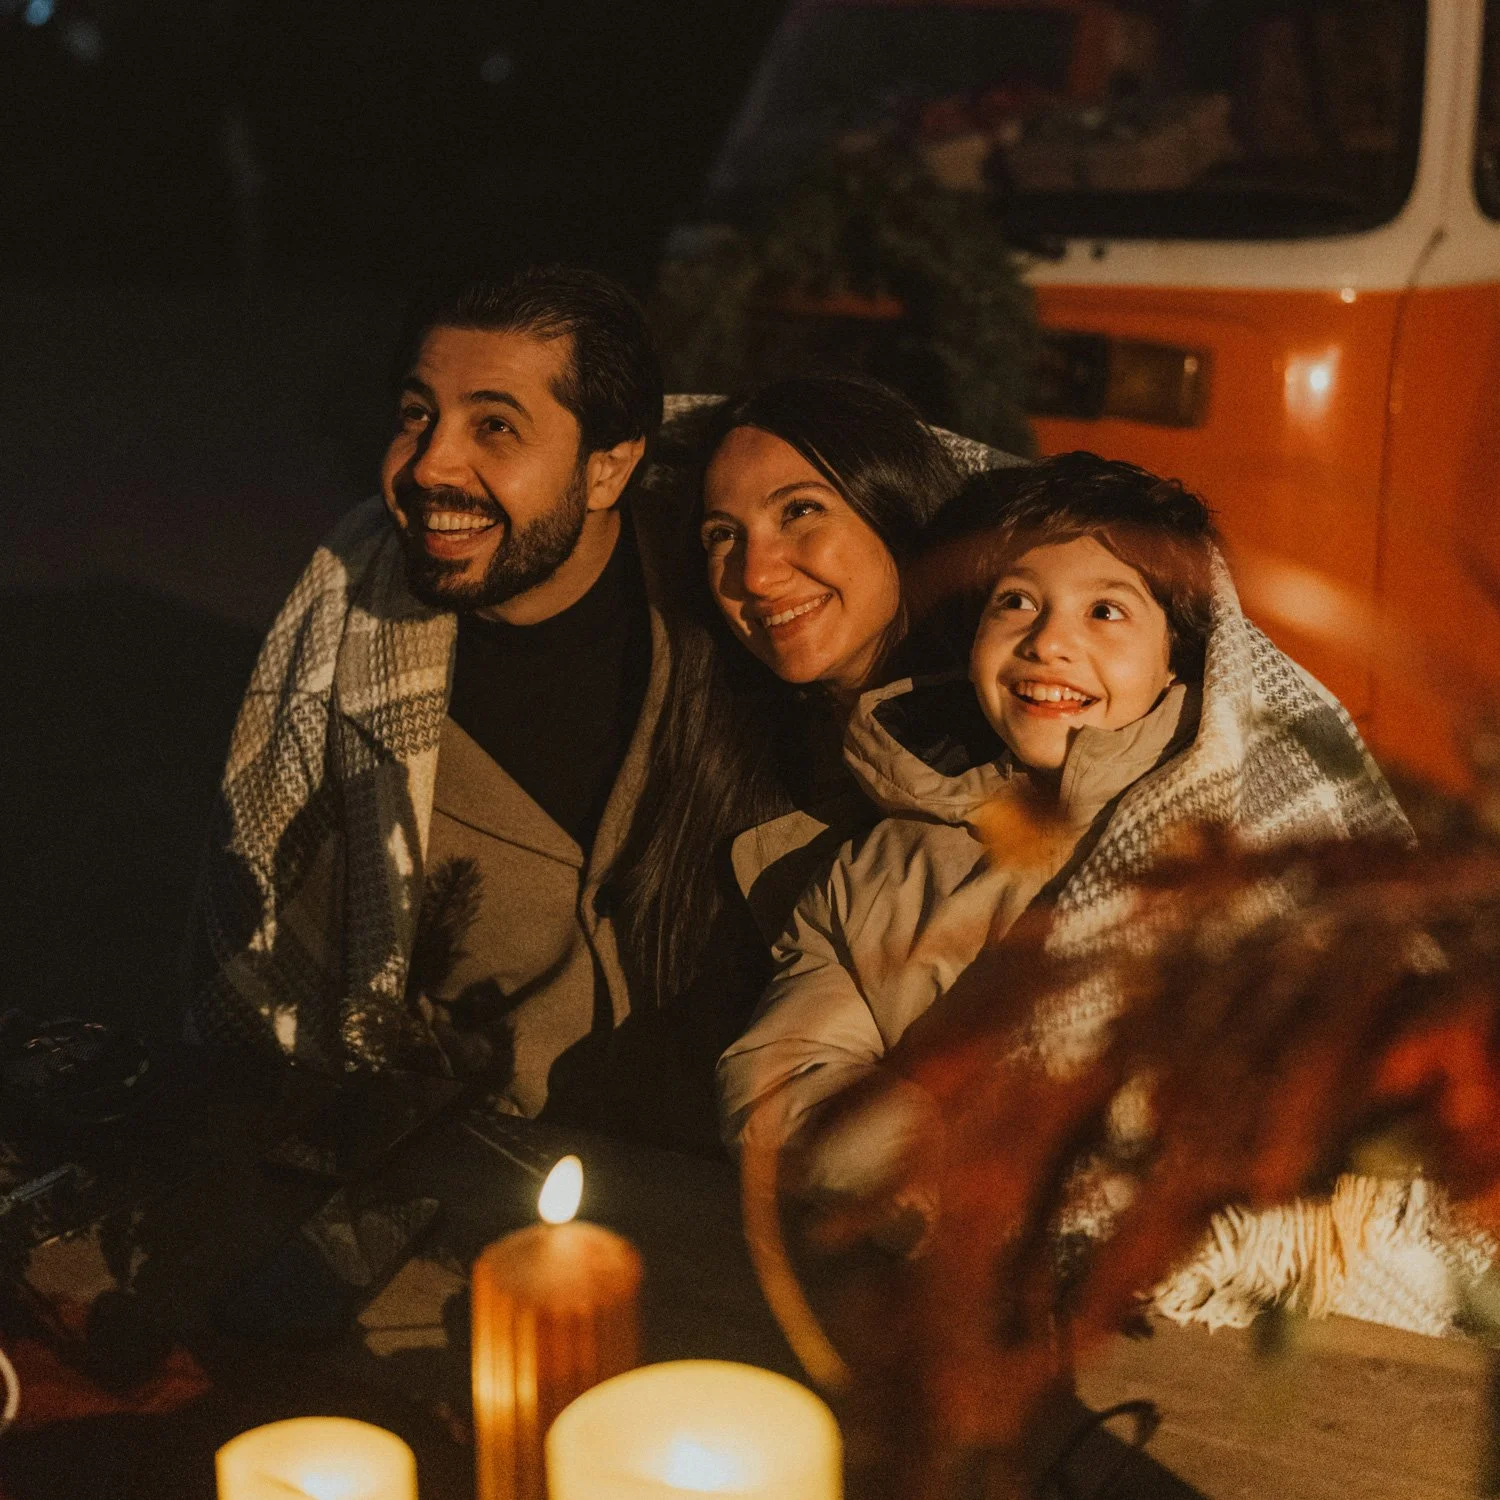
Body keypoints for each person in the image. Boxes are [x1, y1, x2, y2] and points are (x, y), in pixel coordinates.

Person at [717, 453, 1413, 1213]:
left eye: (1106, 612)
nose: (1048, 642)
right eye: (1015, 602)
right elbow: (778, 1090)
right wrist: (970, 1169)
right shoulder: (875, 874)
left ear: (1179, 660)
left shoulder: (1245, 853)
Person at [186, 264, 698, 1141]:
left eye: (495, 426)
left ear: (609, 469)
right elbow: (269, 959)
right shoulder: (350, 634)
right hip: (458, 1149)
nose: (430, 465)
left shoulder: (723, 613)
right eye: (417, 415)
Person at [613, 376, 1009, 1029]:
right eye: (722, 535)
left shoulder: (1015, 751)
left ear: (896, 505)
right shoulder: (717, 752)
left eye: (799, 511)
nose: (756, 574)